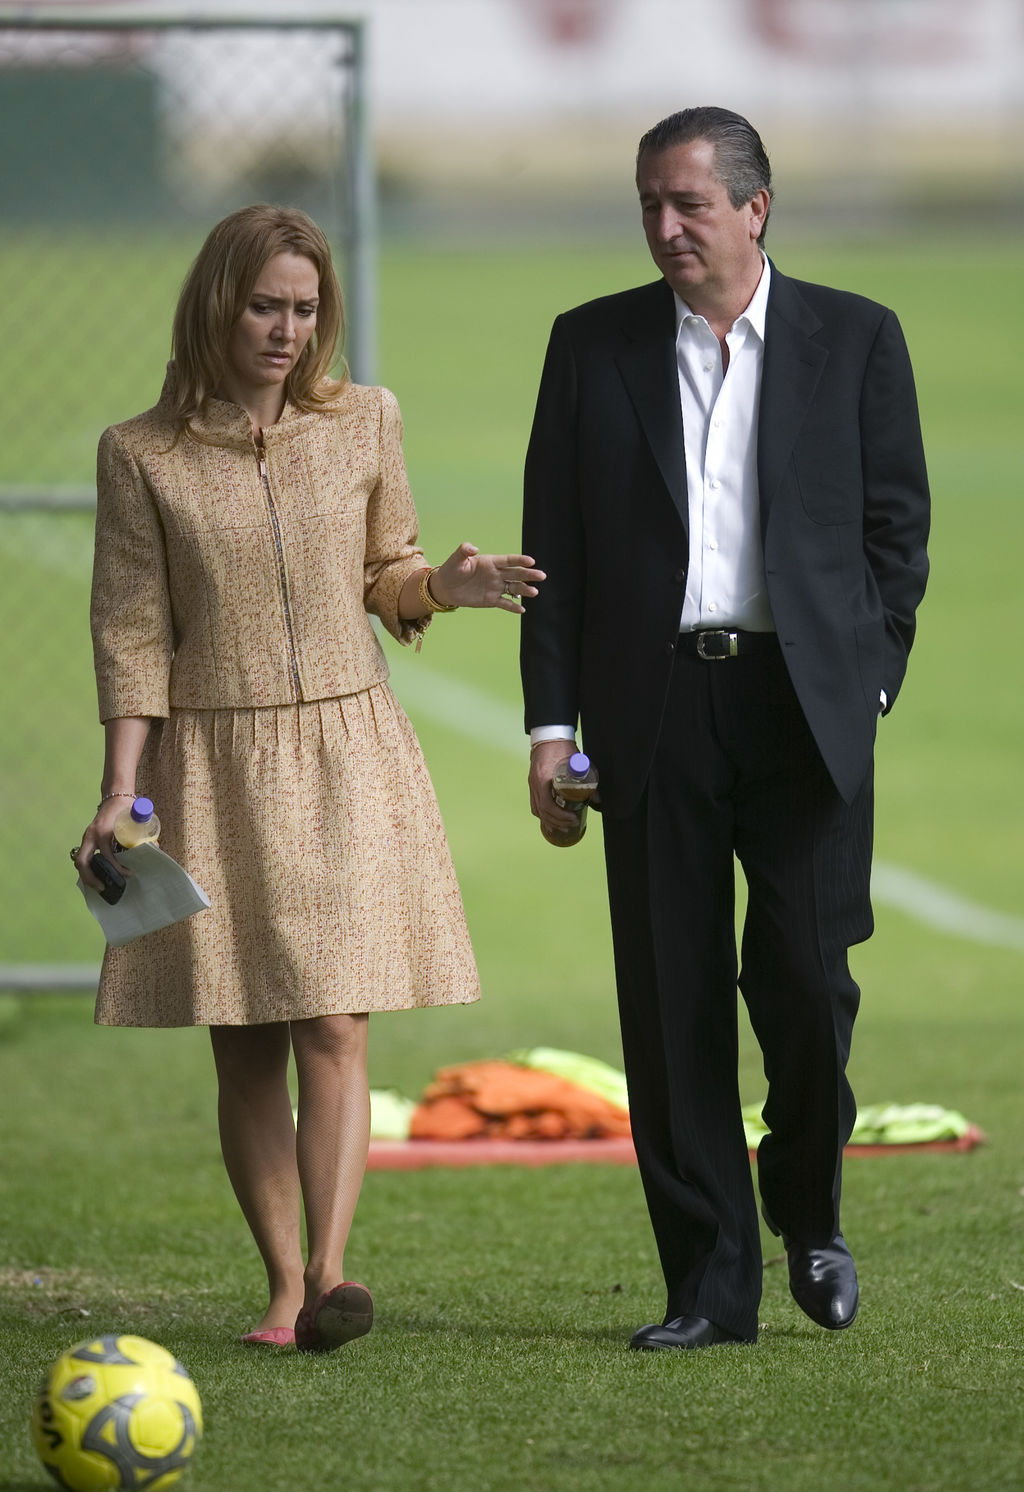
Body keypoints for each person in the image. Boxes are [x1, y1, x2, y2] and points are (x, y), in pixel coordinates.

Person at [73, 204, 544, 1354]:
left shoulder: (366, 419)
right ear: (216, 306)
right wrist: (120, 790)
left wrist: (444, 586)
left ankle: (332, 1274)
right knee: (243, 1035)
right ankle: (282, 1286)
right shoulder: (140, 454)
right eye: (264, 307)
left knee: (335, 1019)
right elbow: (132, 632)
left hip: (344, 749)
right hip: (209, 762)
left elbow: (389, 572)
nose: (287, 330)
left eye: (305, 308)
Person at [521, 108, 929, 1350]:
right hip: (649, 711)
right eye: (649, 203)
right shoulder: (588, 343)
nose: (664, 226)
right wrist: (549, 730)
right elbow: (555, 552)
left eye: (689, 203)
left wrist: (867, 684)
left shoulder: (856, 337)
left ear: (756, 207)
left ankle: (808, 1209)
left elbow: (895, 535)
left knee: (804, 977)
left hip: (803, 711)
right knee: (670, 997)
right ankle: (708, 1283)